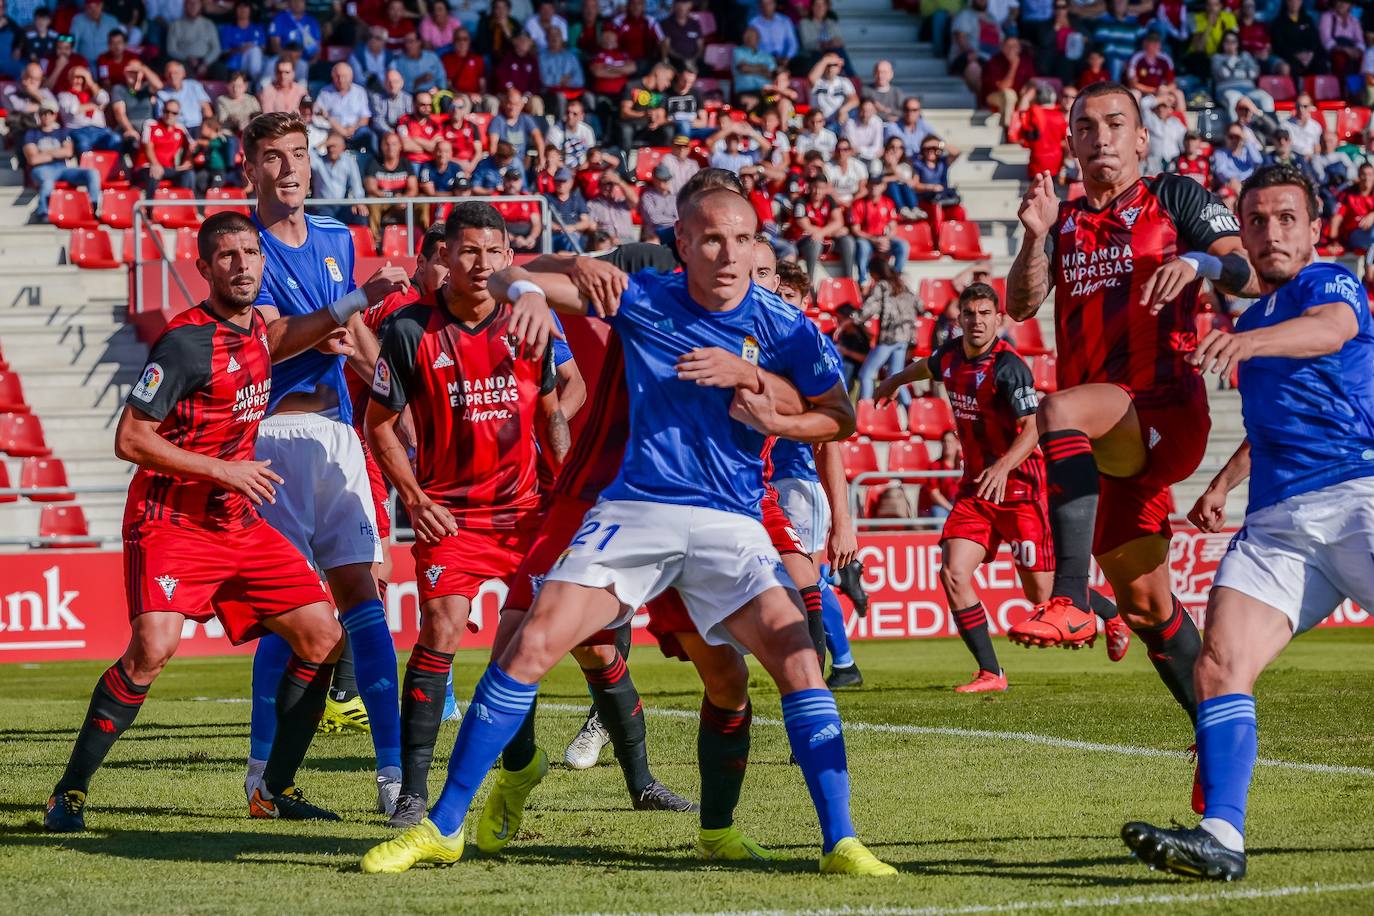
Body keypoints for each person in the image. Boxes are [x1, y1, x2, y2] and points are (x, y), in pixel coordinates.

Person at [359, 182, 895, 879]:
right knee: (530, 644)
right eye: (711, 240)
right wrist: (526, 289)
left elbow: (840, 416)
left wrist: (771, 405)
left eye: (742, 241)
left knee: (792, 661)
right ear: (682, 244)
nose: (728, 255)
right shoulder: (647, 297)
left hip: (728, 518)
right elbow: (526, 273)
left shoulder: (787, 326)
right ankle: (442, 826)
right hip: (633, 507)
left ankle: (837, 841)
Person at [42, 212, 364, 833]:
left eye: (250, 252)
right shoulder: (184, 342)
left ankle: (274, 789)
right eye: (227, 256)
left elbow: (283, 339)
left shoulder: (258, 333)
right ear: (205, 268)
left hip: (238, 524)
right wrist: (222, 471)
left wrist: (351, 305)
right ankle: (69, 793)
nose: (242, 264)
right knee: (151, 651)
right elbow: (131, 439)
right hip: (171, 522)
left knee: (323, 637)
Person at [1005, 82, 1258, 809]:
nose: (1101, 136)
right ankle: (1216, 744)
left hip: (1165, 410)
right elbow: (1022, 304)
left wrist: (1203, 264)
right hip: (1098, 444)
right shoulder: (1062, 220)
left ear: (1142, 140)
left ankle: (1069, 599)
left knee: (1055, 406)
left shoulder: (1175, 197)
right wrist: (1033, 234)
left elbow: (1240, 267)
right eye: (1086, 127)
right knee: (1149, 607)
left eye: (1116, 124)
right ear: (1072, 144)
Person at [1122, 165, 1374, 881]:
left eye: (1286, 218)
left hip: (1359, 496)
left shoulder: (1327, 284)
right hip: (1278, 521)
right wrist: (1223, 486)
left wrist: (1245, 343)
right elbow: (1272, 424)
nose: (1272, 232)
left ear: (1313, 227)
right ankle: (1221, 837)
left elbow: (1332, 331)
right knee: (1219, 663)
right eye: (1258, 220)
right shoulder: (1255, 319)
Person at [362, 202, 565, 826]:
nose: (480, 264)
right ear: (444, 257)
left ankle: (533, 763)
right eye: (468, 251)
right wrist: (417, 500)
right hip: (452, 516)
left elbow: (553, 415)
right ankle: (413, 793)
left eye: (493, 252)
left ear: (509, 257)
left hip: (529, 514)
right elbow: (380, 427)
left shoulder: (530, 324)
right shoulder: (407, 332)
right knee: (441, 631)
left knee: (541, 644)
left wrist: (568, 492)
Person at [238, 112, 411, 820]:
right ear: (249, 167)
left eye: (300, 155)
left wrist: (376, 368)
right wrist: (348, 306)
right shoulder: (242, 246)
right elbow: (271, 342)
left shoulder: (339, 237)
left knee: (365, 602)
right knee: (292, 615)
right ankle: (260, 778)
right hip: (271, 439)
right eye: (274, 157)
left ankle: (395, 776)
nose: (289, 169)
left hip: (340, 434)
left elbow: (358, 342)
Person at [874, 283, 1131, 693]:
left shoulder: (1010, 368)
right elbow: (926, 366)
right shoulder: (951, 356)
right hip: (977, 493)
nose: (976, 321)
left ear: (999, 319)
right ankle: (991, 672)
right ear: (960, 320)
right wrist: (893, 383)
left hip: (1023, 492)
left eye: (984, 314)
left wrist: (1004, 467)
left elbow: (1033, 427)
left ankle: (1110, 613)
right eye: (969, 314)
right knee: (953, 572)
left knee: (1042, 594)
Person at [22, 101, 100, 223]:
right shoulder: (31, 133)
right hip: (42, 169)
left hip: (62, 168)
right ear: (39, 115)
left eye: (50, 113)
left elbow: (68, 152)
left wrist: (44, 153)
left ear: (55, 115)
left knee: (92, 173)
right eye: (43, 113)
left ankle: (93, 206)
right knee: (47, 182)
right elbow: (33, 159)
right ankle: (43, 212)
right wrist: (57, 153)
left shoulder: (62, 132)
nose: (47, 116)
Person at [855, 260, 920, 405]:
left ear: (875, 272)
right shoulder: (902, 285)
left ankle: (866, 413)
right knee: (896, 378)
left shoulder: (882, 285)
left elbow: (868, 309)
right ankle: (911, 413)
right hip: (905, 338)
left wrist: (853, 318)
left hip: (890, 337)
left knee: (866, 374)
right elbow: (920, 305)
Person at [790, 173, 855, 281]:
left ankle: (849, 280)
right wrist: (831, 231)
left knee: (847, 240)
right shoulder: (800, 202)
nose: (818, 191)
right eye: (815, 187)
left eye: (821, 188)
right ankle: (809, 281)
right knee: (815, 242)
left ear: (826, 189)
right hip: (804, 241)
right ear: (810, 187)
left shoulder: (829, 200)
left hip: (824, 239)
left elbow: (839, 221)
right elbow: (806, 227)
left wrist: (822, 233)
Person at [850, 178, 909, 286]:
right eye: (872, 184)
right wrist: (873, 239)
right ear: (867, 186)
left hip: (883, 239)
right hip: (867, 240)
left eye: (877, 184)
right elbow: (856, 230)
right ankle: (863, 280)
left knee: (903, 245)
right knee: (862, 245)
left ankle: (896, 276)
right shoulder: (858, 204)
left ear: (883, 186)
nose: (874, 187)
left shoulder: (888, 202)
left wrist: (885, 239)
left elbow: (893, 227)